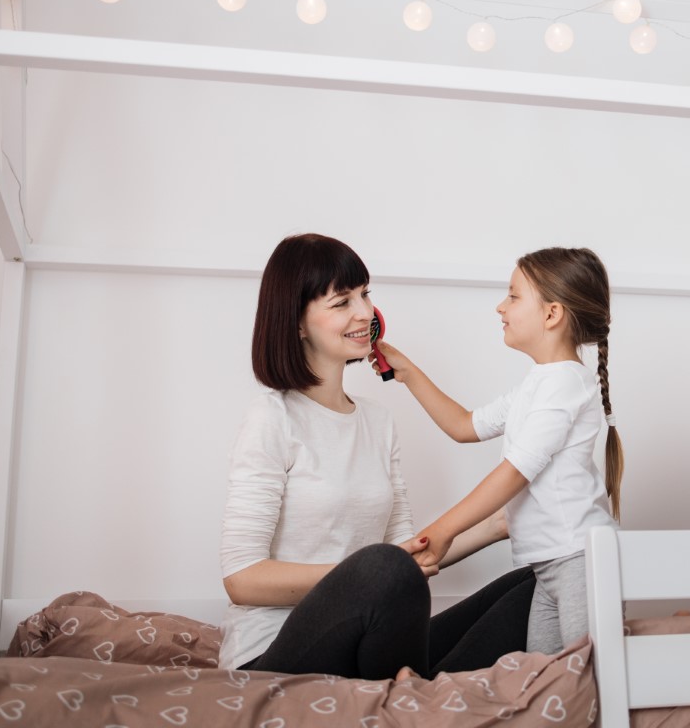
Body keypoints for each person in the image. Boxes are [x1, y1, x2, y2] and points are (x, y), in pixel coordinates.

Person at [218, 233, 535, 680]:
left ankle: (412, 694)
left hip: (371, 642)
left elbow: (412, 557)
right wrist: (360, 579)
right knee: (381, 564)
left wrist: (503, 522)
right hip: (274, 655)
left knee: (538, 585)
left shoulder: (378, 421)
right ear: (297, 322)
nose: (364, 312)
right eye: (341, 301)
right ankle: (407, 698)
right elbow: (242, 579)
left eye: (365, 294)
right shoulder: (273, 418)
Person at [372, 247, 624, 655]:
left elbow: (514, 473)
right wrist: (408, 373)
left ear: (551, 314)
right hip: (550, 567)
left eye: (513, 296)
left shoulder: (563, 384)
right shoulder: (537, 384)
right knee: (545, 679)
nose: (500, 307)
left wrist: (442, 530)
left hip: (581, 561)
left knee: (585, 675)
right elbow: (463, 425)